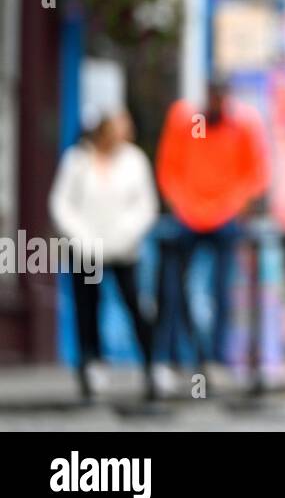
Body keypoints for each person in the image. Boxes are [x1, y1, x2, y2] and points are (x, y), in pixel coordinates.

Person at [155, 80, 269, 383]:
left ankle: (217, 358)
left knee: (222, 290)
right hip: (188, 217)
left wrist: (234, 205)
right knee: (174, 290)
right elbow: (171, 166)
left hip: (225, 218)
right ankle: (177, 356)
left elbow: (255, 172)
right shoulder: (189, 121)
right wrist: (182, 203)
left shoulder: (242, 125)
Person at [49, 107, 159, 402]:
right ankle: (91, 366)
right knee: (87, 307)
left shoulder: (135, 161)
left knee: (135, 305)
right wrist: (83, 239)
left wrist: (124, 235)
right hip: (87, 250)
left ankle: (150, 366)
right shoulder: (77, 161)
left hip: (124, 250)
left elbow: (145, 206)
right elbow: (61, 204)